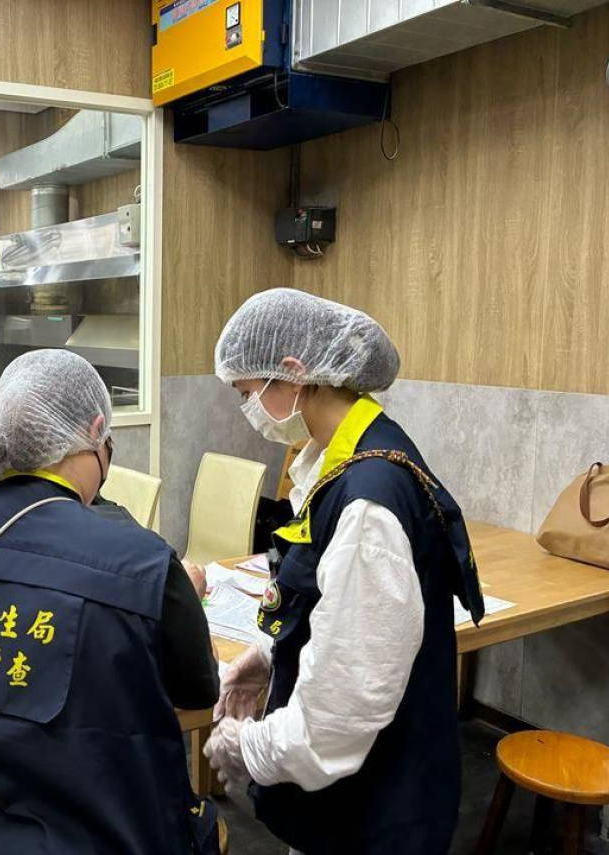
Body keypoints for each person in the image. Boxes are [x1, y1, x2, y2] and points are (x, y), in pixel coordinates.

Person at [0, 349, 222, 855]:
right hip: (94, 832)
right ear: (97, 432)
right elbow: (198, 690)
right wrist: (181, 598)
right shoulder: (142, 562)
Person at [204, 289, 483, 855]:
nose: (248, 409)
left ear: (292, 373)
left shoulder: (369, 502)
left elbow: (337, 718)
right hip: (360, 796)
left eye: (247, 393)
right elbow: (335, 605)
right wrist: (269, 654)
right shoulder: (354, 455)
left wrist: (247, 746)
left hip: (376, 811)